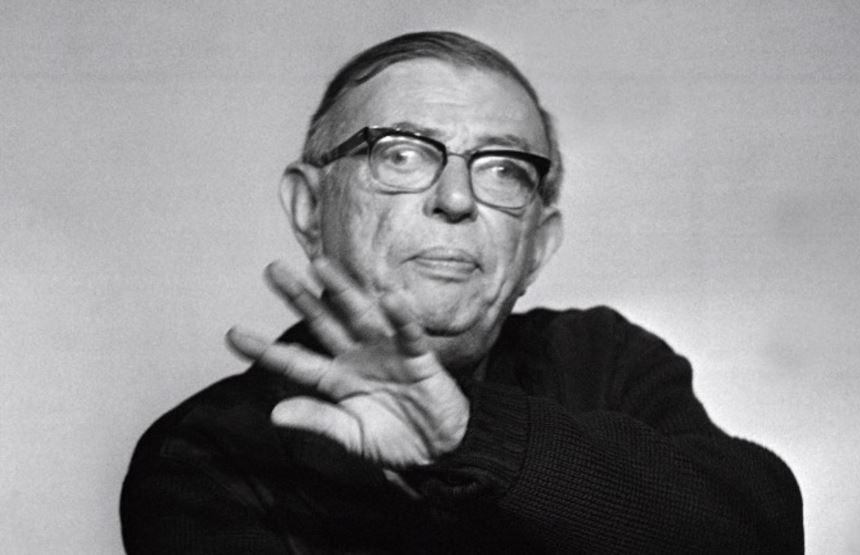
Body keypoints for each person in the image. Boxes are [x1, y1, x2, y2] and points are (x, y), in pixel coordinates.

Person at [120, 31, 803, 554]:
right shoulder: (202, 456)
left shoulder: (601, 358)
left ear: (538, 245)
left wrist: (472, 435)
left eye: (503, 169)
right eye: (400, 153)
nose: (455, 199)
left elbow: (762, 534)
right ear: (308, 209)